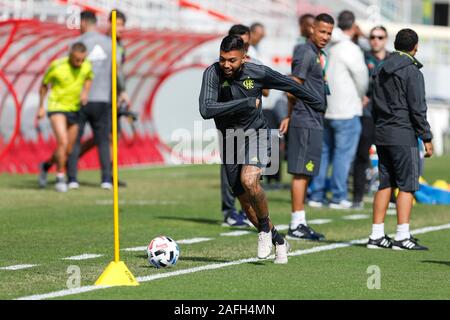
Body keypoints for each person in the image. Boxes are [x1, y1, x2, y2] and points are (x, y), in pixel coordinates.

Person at [199, 35, 322, 263]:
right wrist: (245, 103)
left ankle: (264, 231)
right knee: (246, 203)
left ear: (244, 58)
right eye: (223, 59)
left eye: (232, 60)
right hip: (230, 140)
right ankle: (279, 241)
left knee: (249, 180)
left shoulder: (257, 72)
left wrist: (317, 102)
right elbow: (206, 109)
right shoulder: (212, 73)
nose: (226, 65)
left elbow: (290, 84)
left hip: (257, 135)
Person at [367, 28, 433, 250]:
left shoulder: (380, 68)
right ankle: (402, 236)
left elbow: (373, 103)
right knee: (407, 185)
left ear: (394, 44)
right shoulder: (412, 71)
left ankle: (376, 235)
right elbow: (418, 108)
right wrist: (427, 137)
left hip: (382, 132)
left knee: (385, 182)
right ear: (415, 46)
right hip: (403, 133)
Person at [278, 13, 334, 241]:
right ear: (311, 29)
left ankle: (300, 221)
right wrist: (292, 115)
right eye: (322, 31)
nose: (326, 36)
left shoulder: (317, 54)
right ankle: (296, 224)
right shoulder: (305, 52)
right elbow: (293, 85)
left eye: (329, 33)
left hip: (313, 119)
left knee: (307, 171)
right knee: (301, 172)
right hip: (306, 119)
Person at [309, 10, 369, 209]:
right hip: (347, 109)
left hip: (327, 107)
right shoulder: (349, 48)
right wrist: (361, 96)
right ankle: (338, 195)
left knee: (324, 154)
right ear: (352, 27)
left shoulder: (327, 45)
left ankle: (316, 194)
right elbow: (362, 78)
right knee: (343, 155)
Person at [76, 9, 130, 188]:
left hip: (112, 97)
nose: (121, 28)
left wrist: (121, 92)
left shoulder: (120, 45)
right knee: (105, 137)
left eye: (123, 25)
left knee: (111, 136)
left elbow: (119, 72)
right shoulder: (102, 43)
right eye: (118, 24)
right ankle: (68, 158)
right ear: (109, 23)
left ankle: (110, 173)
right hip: (99, 97)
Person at [66, 10, 114, 190]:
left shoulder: (75, 44)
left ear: (84, 23)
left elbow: (69, 72)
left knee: (75, 139)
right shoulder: (109, 44)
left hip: (79, 99)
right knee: (102, 140)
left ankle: (72, 179)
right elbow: (116, 72)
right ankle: (106, 180)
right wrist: (120, 93)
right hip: (102, 99)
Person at [37, 42, 93, 192]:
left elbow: (88, 78)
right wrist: (41, 106)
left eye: (82, 59)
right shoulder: (57, 66)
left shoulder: (87, 65)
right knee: (62, 141)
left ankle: (46, 165)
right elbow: (44, 85)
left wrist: (85, 92)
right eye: (76, 60)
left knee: (68, 149)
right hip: (57, 107)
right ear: (70, 55)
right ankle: (60, 177)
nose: (79, 63)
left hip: (75, 109)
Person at [352, 26, 390, 209]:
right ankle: (357, 196)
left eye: (380, 37)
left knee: (389, 156)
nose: (376, 40)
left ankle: (389, 196)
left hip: (386, 114)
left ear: (386, 39)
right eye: (373, 36)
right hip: (366, 114)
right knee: (361, 155)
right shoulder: (362, 55)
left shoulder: (392, 59)